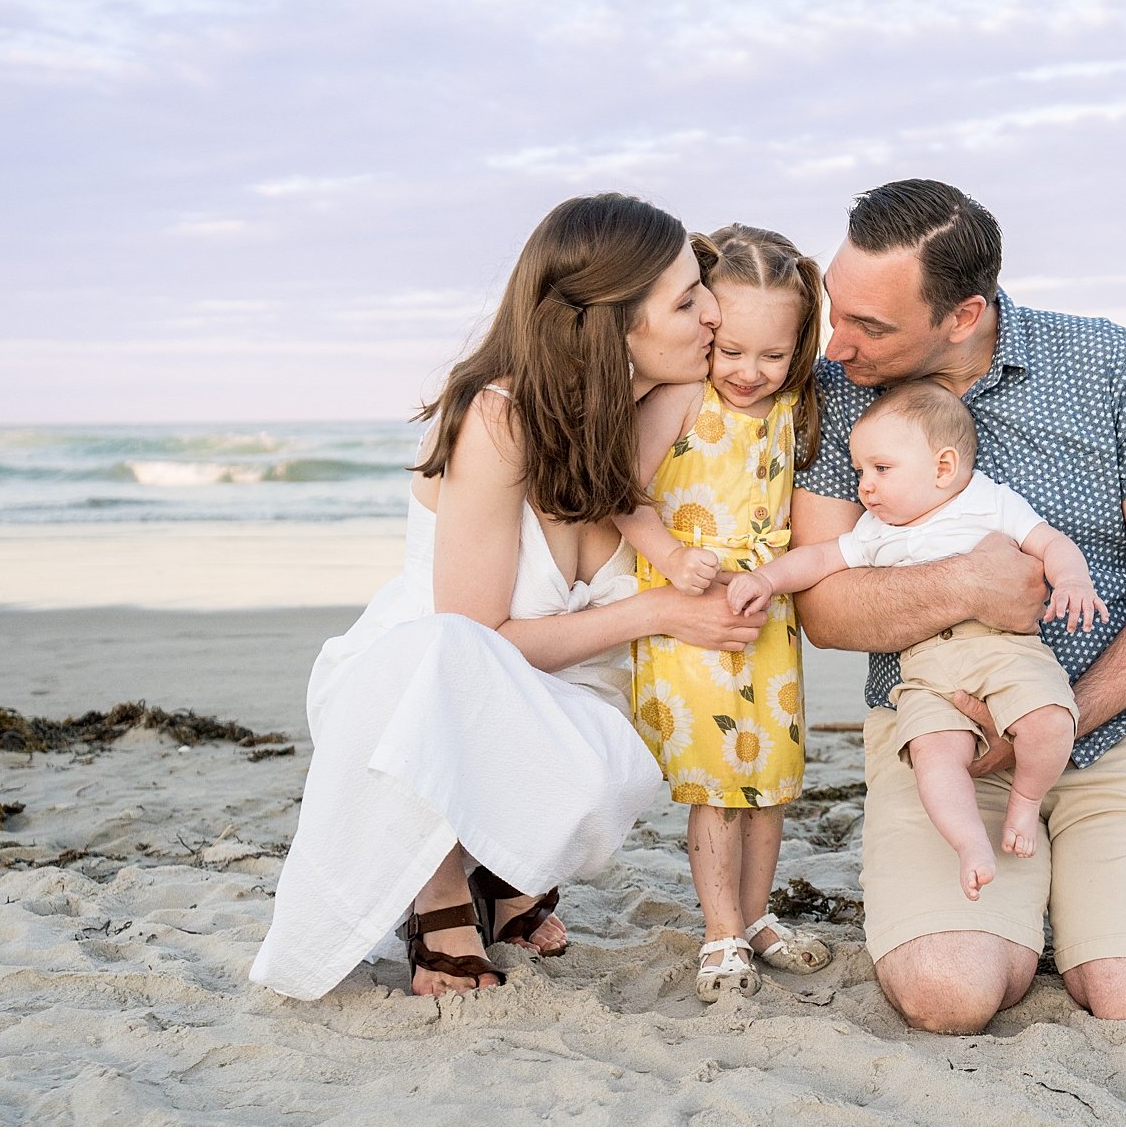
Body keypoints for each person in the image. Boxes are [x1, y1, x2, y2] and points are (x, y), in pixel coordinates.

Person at [251, 193, 767, 1001]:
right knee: (451, 658)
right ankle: (438, 889)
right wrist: (663, 610)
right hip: (419, 692)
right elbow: (475, 639)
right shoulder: (498, 421)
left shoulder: (664, 402)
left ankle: (501, 864)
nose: (712, 313)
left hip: (557, 691)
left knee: (602, 776)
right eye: (687, 298)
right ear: (611, 328)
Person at [790, 178, 1126, 1032]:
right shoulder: (838, 390)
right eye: (835, 308)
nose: (836, 344)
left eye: (871, 326)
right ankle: (1041, 893)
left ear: (964, 315)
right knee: (949, 992)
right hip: (944, 740)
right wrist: (965, 585)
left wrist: (1057, 719)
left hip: (1120, 719)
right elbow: (822, 608)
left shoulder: (1109, 364)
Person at [726, 379, 1107, 903]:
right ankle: (969, 841)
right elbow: (818, 560)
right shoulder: (875, 531)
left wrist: (1071, 581)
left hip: (1007, 650)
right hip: (926, 668)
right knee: (934, 754)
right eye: (861, 471)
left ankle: (1025, 797)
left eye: (881, 469)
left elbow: (1051, 543)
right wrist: (767, 580)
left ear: (943, 467)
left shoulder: (989, 502)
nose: (865, 486)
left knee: (1050, 719)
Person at [617, 224, 834, 1002]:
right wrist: (674, 560)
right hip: (689, 608)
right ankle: (719, 929)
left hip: (765, 610)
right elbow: (623, 495)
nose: (749, 371)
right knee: (718, 783)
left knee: (770, 779)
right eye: (732, 350)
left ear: (799, 345)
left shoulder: (794, 403)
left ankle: (754, 913)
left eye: (772, 355)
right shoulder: (681, 396)